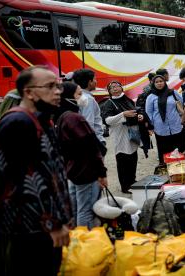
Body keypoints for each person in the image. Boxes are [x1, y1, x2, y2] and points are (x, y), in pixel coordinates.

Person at [0, 66, 72, 275]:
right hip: (29, 231)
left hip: (41, 229)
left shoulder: (41, 119)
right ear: (28, 92)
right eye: (50, 86)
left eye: (58, 86)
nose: (58, 92)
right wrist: (52, 224)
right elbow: (24, 182)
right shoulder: (17, 123)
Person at [54, 82, 108, 229]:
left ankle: (78, 240)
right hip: (86, 171)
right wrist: (102, 173)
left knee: (77, 208)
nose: (83, 97)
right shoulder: (75, 119)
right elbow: (92, 148)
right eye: (78, 94)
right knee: (87, 211)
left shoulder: (61, 117)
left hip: (73, 170)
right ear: (68, 97)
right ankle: (88, 242)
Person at [103, 81, 143, 194]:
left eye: (117, 86)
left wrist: (139, 116)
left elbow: (135, 112)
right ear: (109, 91)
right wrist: (122, 115)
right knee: (123, 161)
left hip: (132, 134)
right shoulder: (109, 103)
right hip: (120, 136)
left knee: (133, 158)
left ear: (121, 88)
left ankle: (132, 181)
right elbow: (107, 120)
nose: (115, 88)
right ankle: (125, 186)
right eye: (112, 87)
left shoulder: (128, 99)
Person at [145, 75, 185, 165]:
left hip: (176, 126)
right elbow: (149, 113)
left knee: (179, 151)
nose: (159, 83)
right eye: (157, 82)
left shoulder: (173, 93)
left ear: (165, 82)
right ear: (153, 84)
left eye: (161, 81)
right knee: (164, 152)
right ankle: (166, 170)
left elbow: (181, 105)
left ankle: (180, 172)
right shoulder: (151, 97)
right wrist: (150, 127)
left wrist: (181, 117)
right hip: (161, 128)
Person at [72, 69, 106, 151]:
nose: (96, 82)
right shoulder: (88, 99)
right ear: (89, 82)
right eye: (94, 79)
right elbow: (88, 123)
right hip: (94, 142)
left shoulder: (79, 96)